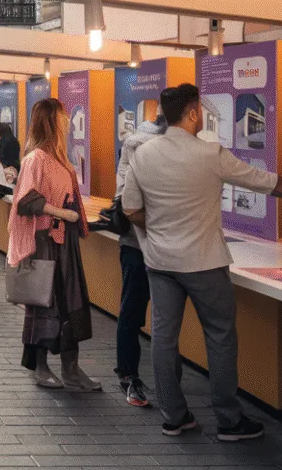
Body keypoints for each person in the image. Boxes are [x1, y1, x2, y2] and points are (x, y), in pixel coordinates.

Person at [122, 83, 282, 441]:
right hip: (205, 262)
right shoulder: (210, 153)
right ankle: (228, 421)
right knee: (220, 338)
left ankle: (174, 418)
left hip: (161, 262)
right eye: (200, 110)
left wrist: (160, 231)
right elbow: (265, 182)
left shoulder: (142, 154)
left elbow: (131, 209)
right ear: (193, 112)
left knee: (163, 339)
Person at [8, 97, 101, 392]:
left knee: (71, 301)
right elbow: (26, 200)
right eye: (63, 116)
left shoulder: (60, 158)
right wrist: (61, 213)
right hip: (46, 241)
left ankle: (71, 368)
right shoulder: (36, 159)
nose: (67, 121)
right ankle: (40, 366)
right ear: (51, 120)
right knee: (44, 303)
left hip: (64, 241)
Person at [112, 112, 167, 407]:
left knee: (132, 311)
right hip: (145, 242)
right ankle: (133, 377)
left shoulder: (133, 143)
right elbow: (132, 203)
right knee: (146, 313)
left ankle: (129, 375)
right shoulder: (149, 149)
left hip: (137, 243)